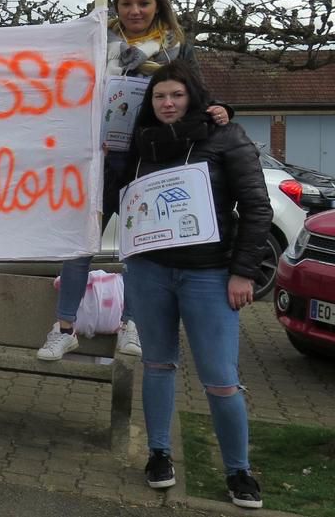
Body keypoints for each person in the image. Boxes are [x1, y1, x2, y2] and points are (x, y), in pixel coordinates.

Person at [38, 0, 229, 362]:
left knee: (138, 248)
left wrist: (221, 109)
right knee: (81, 244)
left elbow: (196, 98)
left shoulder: (177, 48)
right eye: (126, 3)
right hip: (99, 161)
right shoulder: (94, 40)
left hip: (149, 164)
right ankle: (64, 328)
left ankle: (132, 323)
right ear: (116, 4)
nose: (134, 11)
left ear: (158, 5)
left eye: (143, 3)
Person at [125, 61, 267, 509]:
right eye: (159, 96)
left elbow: (257, 207)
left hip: (209, 275)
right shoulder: (142, 142)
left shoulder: (226, 136)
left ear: (194, 97)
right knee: (157, 365)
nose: (167, 104)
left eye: (177, 95)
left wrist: (244, 272)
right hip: (150, 272)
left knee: (221, 379)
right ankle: (159, 454)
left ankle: (238, 470)